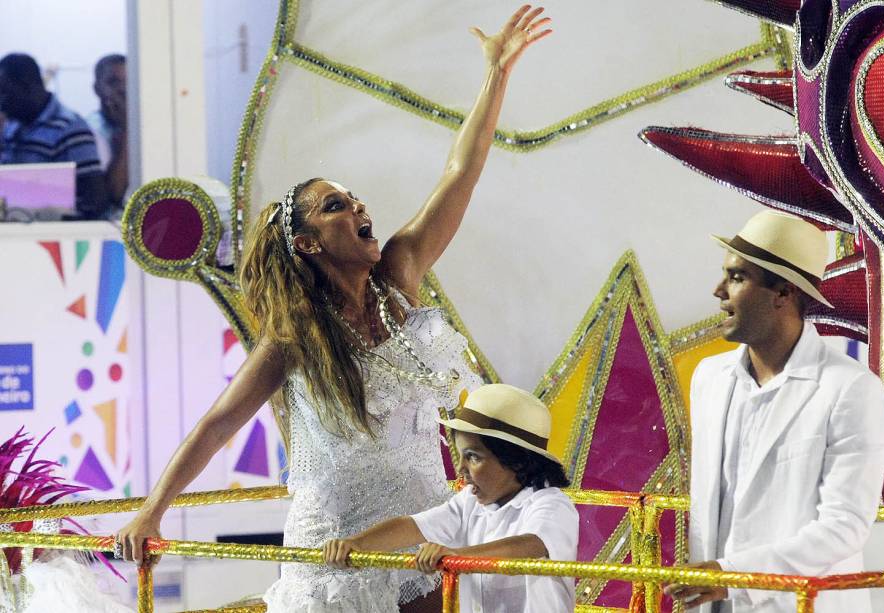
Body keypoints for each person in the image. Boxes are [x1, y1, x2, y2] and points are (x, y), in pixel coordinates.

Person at [115, 6, 552, 613]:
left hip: (420, 534)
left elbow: (461, 172)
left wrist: (495, 74)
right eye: (335, 206)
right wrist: (152, 510)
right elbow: (217, 425)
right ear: (308, 243)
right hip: (336, 551)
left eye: (352, 199)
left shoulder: (399, 275)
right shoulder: (293, 339)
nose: (357, 207)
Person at [664, 211, 884, 612]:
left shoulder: (851, 389)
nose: (718, 290)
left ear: (783, 293)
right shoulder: (709, 378)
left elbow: (844, 527)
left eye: (737, 277)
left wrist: (735, 575)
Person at [323, 384, 578, 613]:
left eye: (474, 457)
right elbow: (413, 525)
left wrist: (458, 556)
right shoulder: (469, 502)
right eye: (461, 456)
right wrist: (357, 543)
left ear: (518, 462)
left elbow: (530, 546)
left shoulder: (551, 504)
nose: (461, 470)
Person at [0, 53, 108, 219]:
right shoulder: (11, 127)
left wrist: (55, 213)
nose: (2, 102)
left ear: (28, 86)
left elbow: (95, 200)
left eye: (4, 94)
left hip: (53, 234)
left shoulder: (70, 128)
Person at [86, 53, 128, 211]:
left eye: (128, 82)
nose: (123, 89)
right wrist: (126, 129)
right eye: (113, 82)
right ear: (97, 89)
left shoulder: (146, 126)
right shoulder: (89, 131)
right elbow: (115, 193)